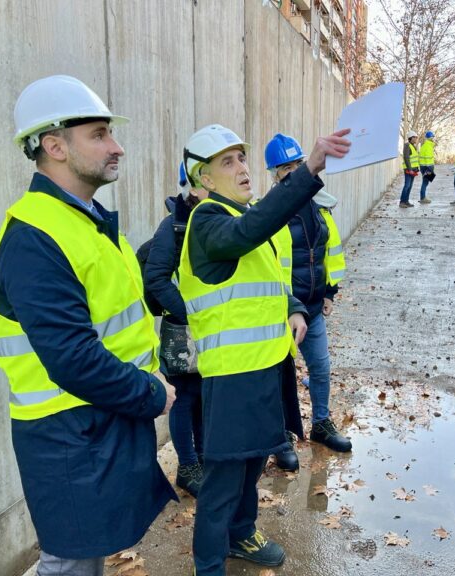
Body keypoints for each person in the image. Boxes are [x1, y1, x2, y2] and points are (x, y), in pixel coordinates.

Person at [0, 75, 177, 576]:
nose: (116, 146)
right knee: (69, 564)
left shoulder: (83, 220)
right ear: (54, 145)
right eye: (100, 134)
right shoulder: (35, 237)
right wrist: (153, 394)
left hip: (94, 426)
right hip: (68, 436)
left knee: (85, 557)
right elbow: (73, 358)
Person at [178, 124, 350, 575]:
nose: (242, 169)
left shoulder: (240, 215)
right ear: (204, 180)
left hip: (266, 367)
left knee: (253, 461)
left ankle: (242, 533)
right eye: (227, 162)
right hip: (232, 376)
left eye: (241, 158)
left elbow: (269, 276)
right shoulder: (209, 222)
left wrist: (293, 307)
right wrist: (309, 168)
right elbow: (249, 233)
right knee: (223, 479)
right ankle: (209, 565)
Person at [264, 133, 353, 472]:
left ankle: (321, 424)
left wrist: (330, 292)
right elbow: (268, 268)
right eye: (286, 167)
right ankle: (282, 437)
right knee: (280, 378)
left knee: (320, 369)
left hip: (313, 309)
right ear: (275, 173)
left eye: (298, 163)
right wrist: (287, 307)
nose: (294, 171)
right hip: (282, 313)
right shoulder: (269, 212)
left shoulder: (319, 204)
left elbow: (332, 251)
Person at [143, 161, 207, 497]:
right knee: (184, 399)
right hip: (182, 331)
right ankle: (188, 465)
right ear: (192, 187)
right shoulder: (175, 226)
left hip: (210, 330)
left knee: (202, 398)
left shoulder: (216, 219)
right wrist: (190, 314)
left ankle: (202, 459)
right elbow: (156, 278)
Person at [399, 130, 419, 208]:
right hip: (408, 169)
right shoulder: (407, 145)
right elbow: (406, 158)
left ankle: (406, 201)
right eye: (415, 137)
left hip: (413, 170)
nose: (416, 139)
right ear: (411, 138)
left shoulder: (413, 146)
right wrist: (410, 169)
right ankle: (402, 202)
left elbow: (414, 158)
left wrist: (416, 168)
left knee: (410, 186)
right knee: (407, 185)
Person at [417, 130, 436, 204]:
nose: (433, 139)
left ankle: (423, 197)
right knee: (425, 182)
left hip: (423, 167)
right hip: (428, 167)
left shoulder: (424, 145)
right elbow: (428, 158)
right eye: (432, 137)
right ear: (431, 138)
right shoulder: (429, 146)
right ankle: (423, 198)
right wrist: (430, 169)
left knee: (425, 181)